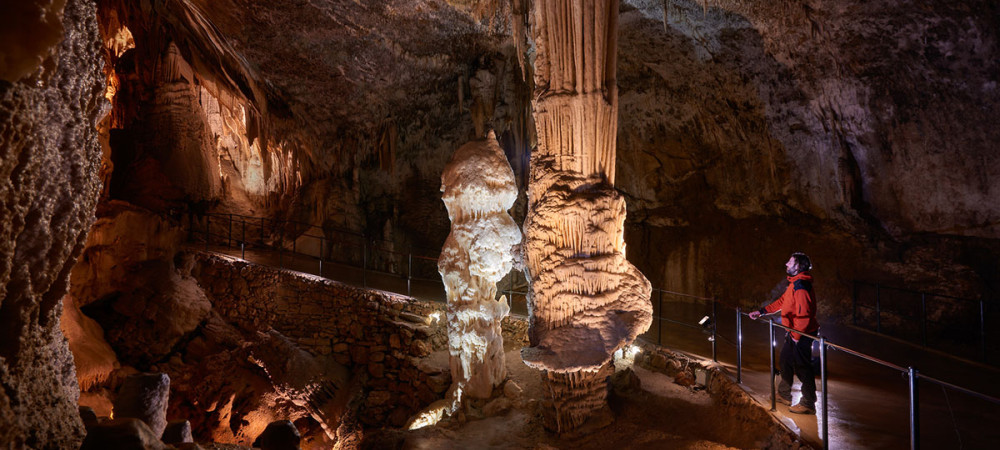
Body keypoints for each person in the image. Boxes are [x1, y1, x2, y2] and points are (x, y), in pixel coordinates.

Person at [749, 252, 819, 415]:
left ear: (798, 266)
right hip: (793, 332)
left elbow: (804, 316)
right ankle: (784, 395)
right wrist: (761, 311)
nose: (786, 264)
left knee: (803, 367)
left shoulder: (801, 286)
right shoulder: (794, 284)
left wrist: (796, 337)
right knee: (785, 361)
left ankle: (808, 403)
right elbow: (783, 302)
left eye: (790, 262)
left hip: (801, 334)